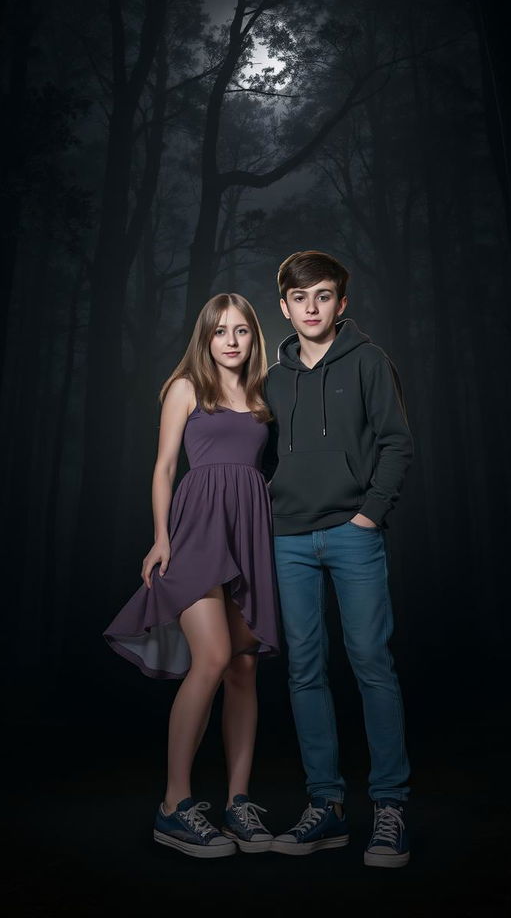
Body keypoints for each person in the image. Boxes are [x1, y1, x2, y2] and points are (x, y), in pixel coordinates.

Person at [103, 293, 280, 859]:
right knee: (211, 656)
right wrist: (161, 537)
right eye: (220, 331)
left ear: (255, 337)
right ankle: (174, 806)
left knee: (244, 668)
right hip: (198, 530)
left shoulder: (262, 396)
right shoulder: (186, 388)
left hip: (251, 531)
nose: (231, 341)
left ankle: (237, 802)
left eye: (243, 331)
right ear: (204, 337)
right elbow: (163, 468)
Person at [262, 250, 413, 867]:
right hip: (289, 538)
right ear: (285, 307)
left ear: (341, 304)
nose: (312, 308)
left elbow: (397, 442)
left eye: (324, 296)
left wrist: (369, 514)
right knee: (303, 669)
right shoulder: (270, 379)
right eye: (301, 298)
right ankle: (324, 805)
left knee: (371, 661)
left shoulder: (370, 361)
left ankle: (389, 808)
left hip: (353, 533)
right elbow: (255, 454)